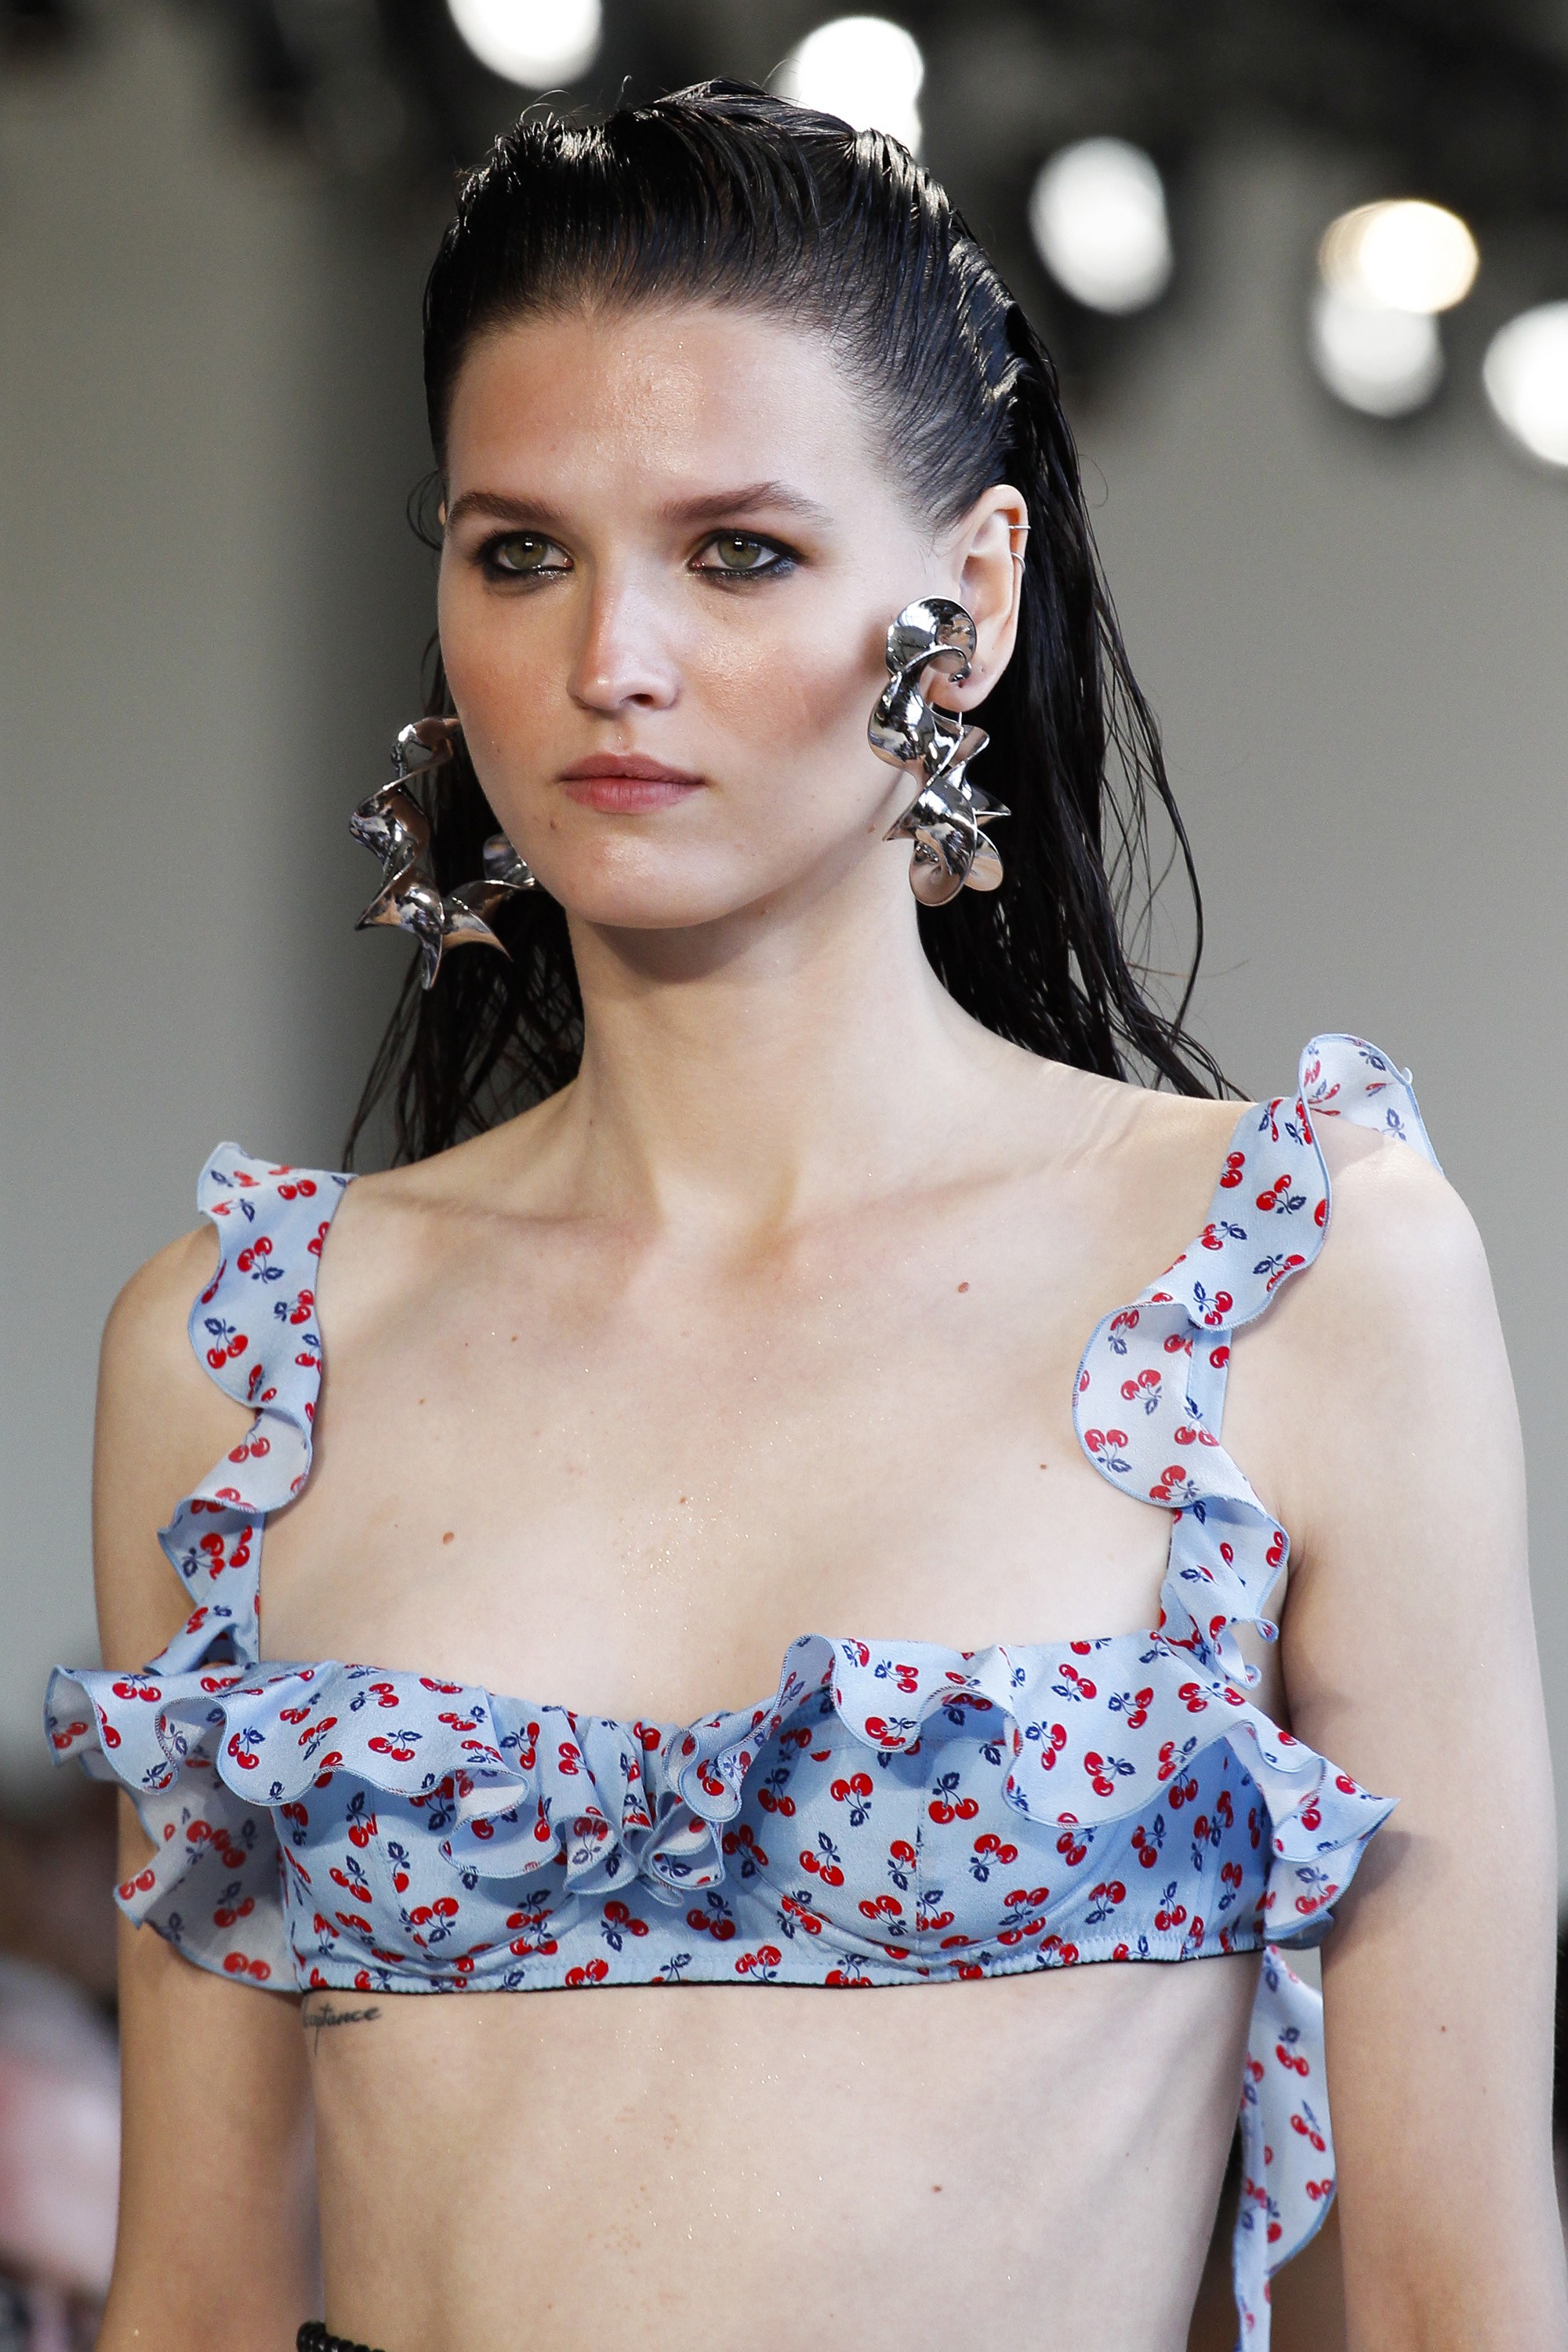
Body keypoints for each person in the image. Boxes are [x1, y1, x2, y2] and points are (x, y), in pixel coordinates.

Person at [49, 82, 1564, 2352]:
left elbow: (1455, 2298)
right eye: (521, 552)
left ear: (969, 604)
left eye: (738, 553)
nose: (612, 661)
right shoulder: (246, 1354)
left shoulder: (1291, 1278)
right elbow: (196, 2289)